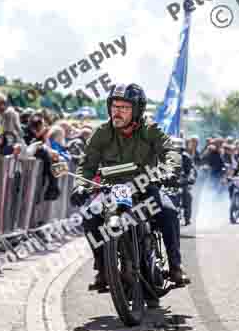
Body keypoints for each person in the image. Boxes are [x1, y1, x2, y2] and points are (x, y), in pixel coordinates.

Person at [70, 83, 189, 291]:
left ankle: (176, 266)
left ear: (137, 110)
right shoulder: (102, 133)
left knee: (169, 212)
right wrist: (80, 186)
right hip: (112, 189)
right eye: (114, 106)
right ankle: (103, 270)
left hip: (145, 186)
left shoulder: (150, 129)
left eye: (124, 108)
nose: (117, 112)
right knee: (89, 217)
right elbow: (86, 165)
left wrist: (170, 171)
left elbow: (169, 151)